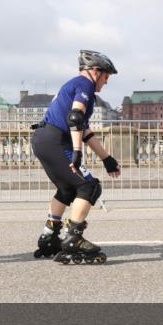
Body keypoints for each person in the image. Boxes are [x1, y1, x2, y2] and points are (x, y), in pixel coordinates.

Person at [31, 50, 122, 264]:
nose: (106, 82)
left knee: (67, 188)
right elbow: (75, 118)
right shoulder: (85, 85)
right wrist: (77, 152)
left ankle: (49, 235)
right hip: (55, 141)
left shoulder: (74, 85)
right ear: (95, 71)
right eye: (106, 76)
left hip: (44, 139)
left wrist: (106, 158)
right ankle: (73, 238)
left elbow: (84, 128)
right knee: (89, 186)